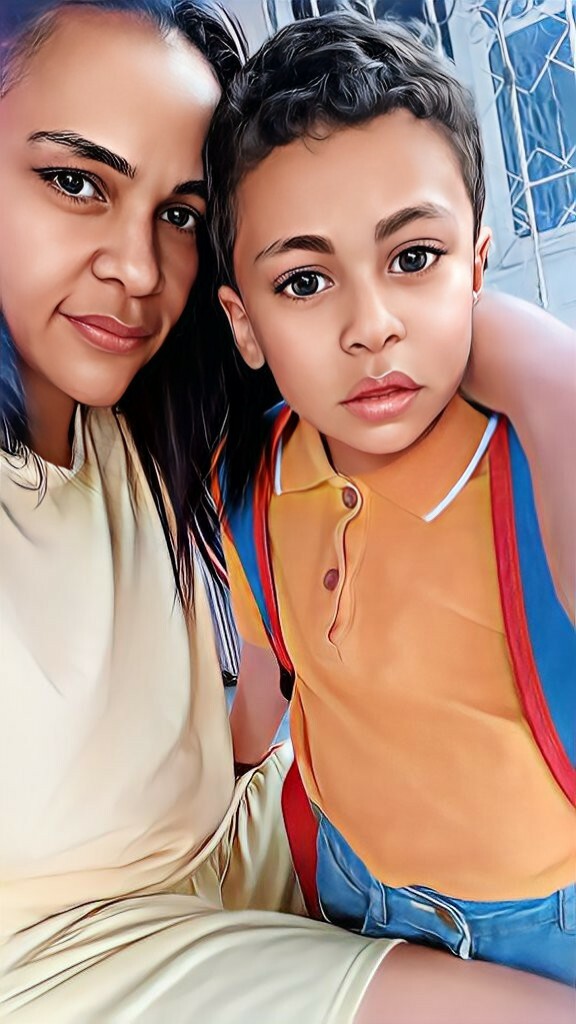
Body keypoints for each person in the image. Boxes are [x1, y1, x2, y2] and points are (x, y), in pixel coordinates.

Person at [1, 3, 574, 1023]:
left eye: (179, 214)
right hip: (81, 960)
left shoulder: (168, 428)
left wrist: (539, 367)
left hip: (320, 861)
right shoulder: (221, 458)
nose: (138, 267)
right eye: (75, 181)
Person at [207, 11, 576, 989]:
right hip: (352, 895)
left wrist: (553, 382)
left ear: (477, 266)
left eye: (413, 258)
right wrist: (228, 774)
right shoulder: (255, 482)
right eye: (305, 280)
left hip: (545, 923)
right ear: (244, 324)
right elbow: (269, 669)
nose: (370, 326)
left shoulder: (530, 464)